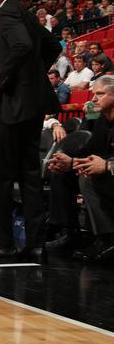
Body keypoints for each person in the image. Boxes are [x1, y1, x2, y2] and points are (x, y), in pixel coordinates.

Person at [0, 0, 61, 262]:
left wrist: (0, 82)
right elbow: (51, 46)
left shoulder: (6, 14)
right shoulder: (22, 12)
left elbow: (22, 46)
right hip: (32, 105)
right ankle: (35, 246)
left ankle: (3, 244)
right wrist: (33, 77)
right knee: (30, 175)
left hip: (11, 105)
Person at [48, 76, 114, 262]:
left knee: (88, 176)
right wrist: (70, 162)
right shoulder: (102, 120)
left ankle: (107, 239)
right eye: (93, 94)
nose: (93, 99)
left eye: (100, 94)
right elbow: (89, 150)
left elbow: (103, 162)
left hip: (110, 171)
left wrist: (108, 165)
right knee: (62, 174)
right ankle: (70, 231)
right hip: (108, 173)